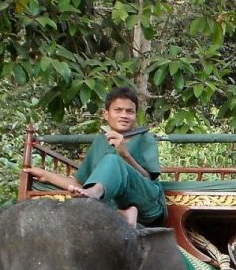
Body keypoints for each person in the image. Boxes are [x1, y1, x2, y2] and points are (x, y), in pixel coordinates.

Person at [25, 85, 167, 226]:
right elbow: (81, 184)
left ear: (135, 115)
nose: (124, 115)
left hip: (147, 202)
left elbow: (148, 178)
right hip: (111, 202)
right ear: (106, 114)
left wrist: (125, 155)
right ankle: (122, 214)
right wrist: (46, 175)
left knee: (112, 161)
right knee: (92, 190)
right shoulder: (100, 141)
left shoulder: (145, 139)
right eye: (118, 110)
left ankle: (97, 195)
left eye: (129, 111)